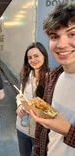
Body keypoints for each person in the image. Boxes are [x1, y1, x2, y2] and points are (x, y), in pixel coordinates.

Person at [29, 2, 75, 156]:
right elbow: (44, 129)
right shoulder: (54, 77)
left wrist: (68, 130)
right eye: (54, 37)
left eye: (72, 34)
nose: (61, 45)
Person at [16, 42, 49, 156]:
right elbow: (20, 95)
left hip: (39, 131)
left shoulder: (51, 78)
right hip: (22, 127)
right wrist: (20, 104)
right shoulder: (26, 76)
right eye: (29, 57)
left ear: (44, 56)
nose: (33, 60)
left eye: (36, 56)